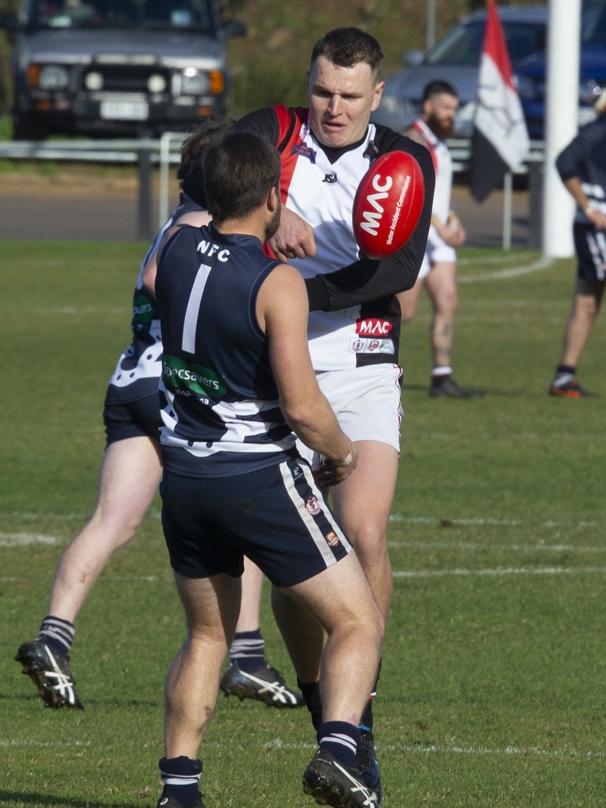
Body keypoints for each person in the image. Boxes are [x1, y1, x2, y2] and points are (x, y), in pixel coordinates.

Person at [15, 117, 302, 712]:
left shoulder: (176, 222)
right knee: (238, 501)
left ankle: (54, 636)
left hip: (129, 382)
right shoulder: (199, 228)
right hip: (171, 383)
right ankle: (244, 656)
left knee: (113, 521)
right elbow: (159, 278)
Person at [148, 130, 384, 808]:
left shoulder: (176, 247)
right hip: (254, 476)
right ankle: (340, 748)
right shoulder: (276, 281)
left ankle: (180, 789)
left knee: (206, 634)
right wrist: (342, 453)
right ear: (275, 198)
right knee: (357, 620)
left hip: (185, 476)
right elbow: (304, 408)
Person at [233, 26, 435, 805]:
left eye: (351, 96)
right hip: (273, 371)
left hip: (362, 364)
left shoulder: (403, 161)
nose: (334, 108)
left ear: (377, 95)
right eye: (323, 91)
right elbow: (208, 171)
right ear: (306, 82)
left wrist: (293, 292)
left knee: (366, 531)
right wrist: (268, 205)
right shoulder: (270, 134)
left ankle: (361, 714)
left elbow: (397, 268)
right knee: (296, 564)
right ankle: (329, 712)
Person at [397, 80, 484, 398]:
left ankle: (441, 376)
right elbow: (412, 193)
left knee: (447, 300)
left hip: (439, 236)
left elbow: (440, 194)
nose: (452, 115)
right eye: (446, 108)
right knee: (404, 312)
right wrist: (438, 224)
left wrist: (453, 221)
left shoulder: (439, 141)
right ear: (429, 106)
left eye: (455, 109)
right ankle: (368, 365)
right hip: (417, 235)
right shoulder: (414, 139)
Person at [548, 91, 606, 398]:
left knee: (588, 300)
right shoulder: (598, 130)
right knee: (587, 300)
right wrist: (588, 207)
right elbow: (564, 162)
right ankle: (563, 377)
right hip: (596, 228)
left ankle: (564, 376)